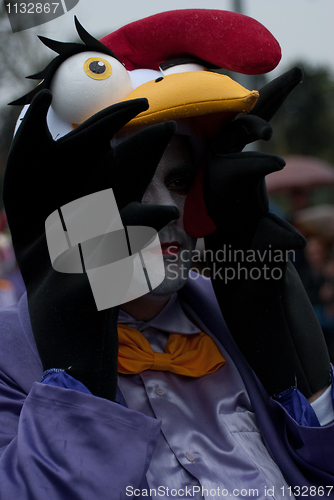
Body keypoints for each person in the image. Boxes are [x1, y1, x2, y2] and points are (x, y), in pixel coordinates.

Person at [0, 9, 334, 500]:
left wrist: (306, 380)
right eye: (130, 183)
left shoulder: (237, 317)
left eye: (180, 181)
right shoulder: (9, 354)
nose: (163, 209)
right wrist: (77, 391)